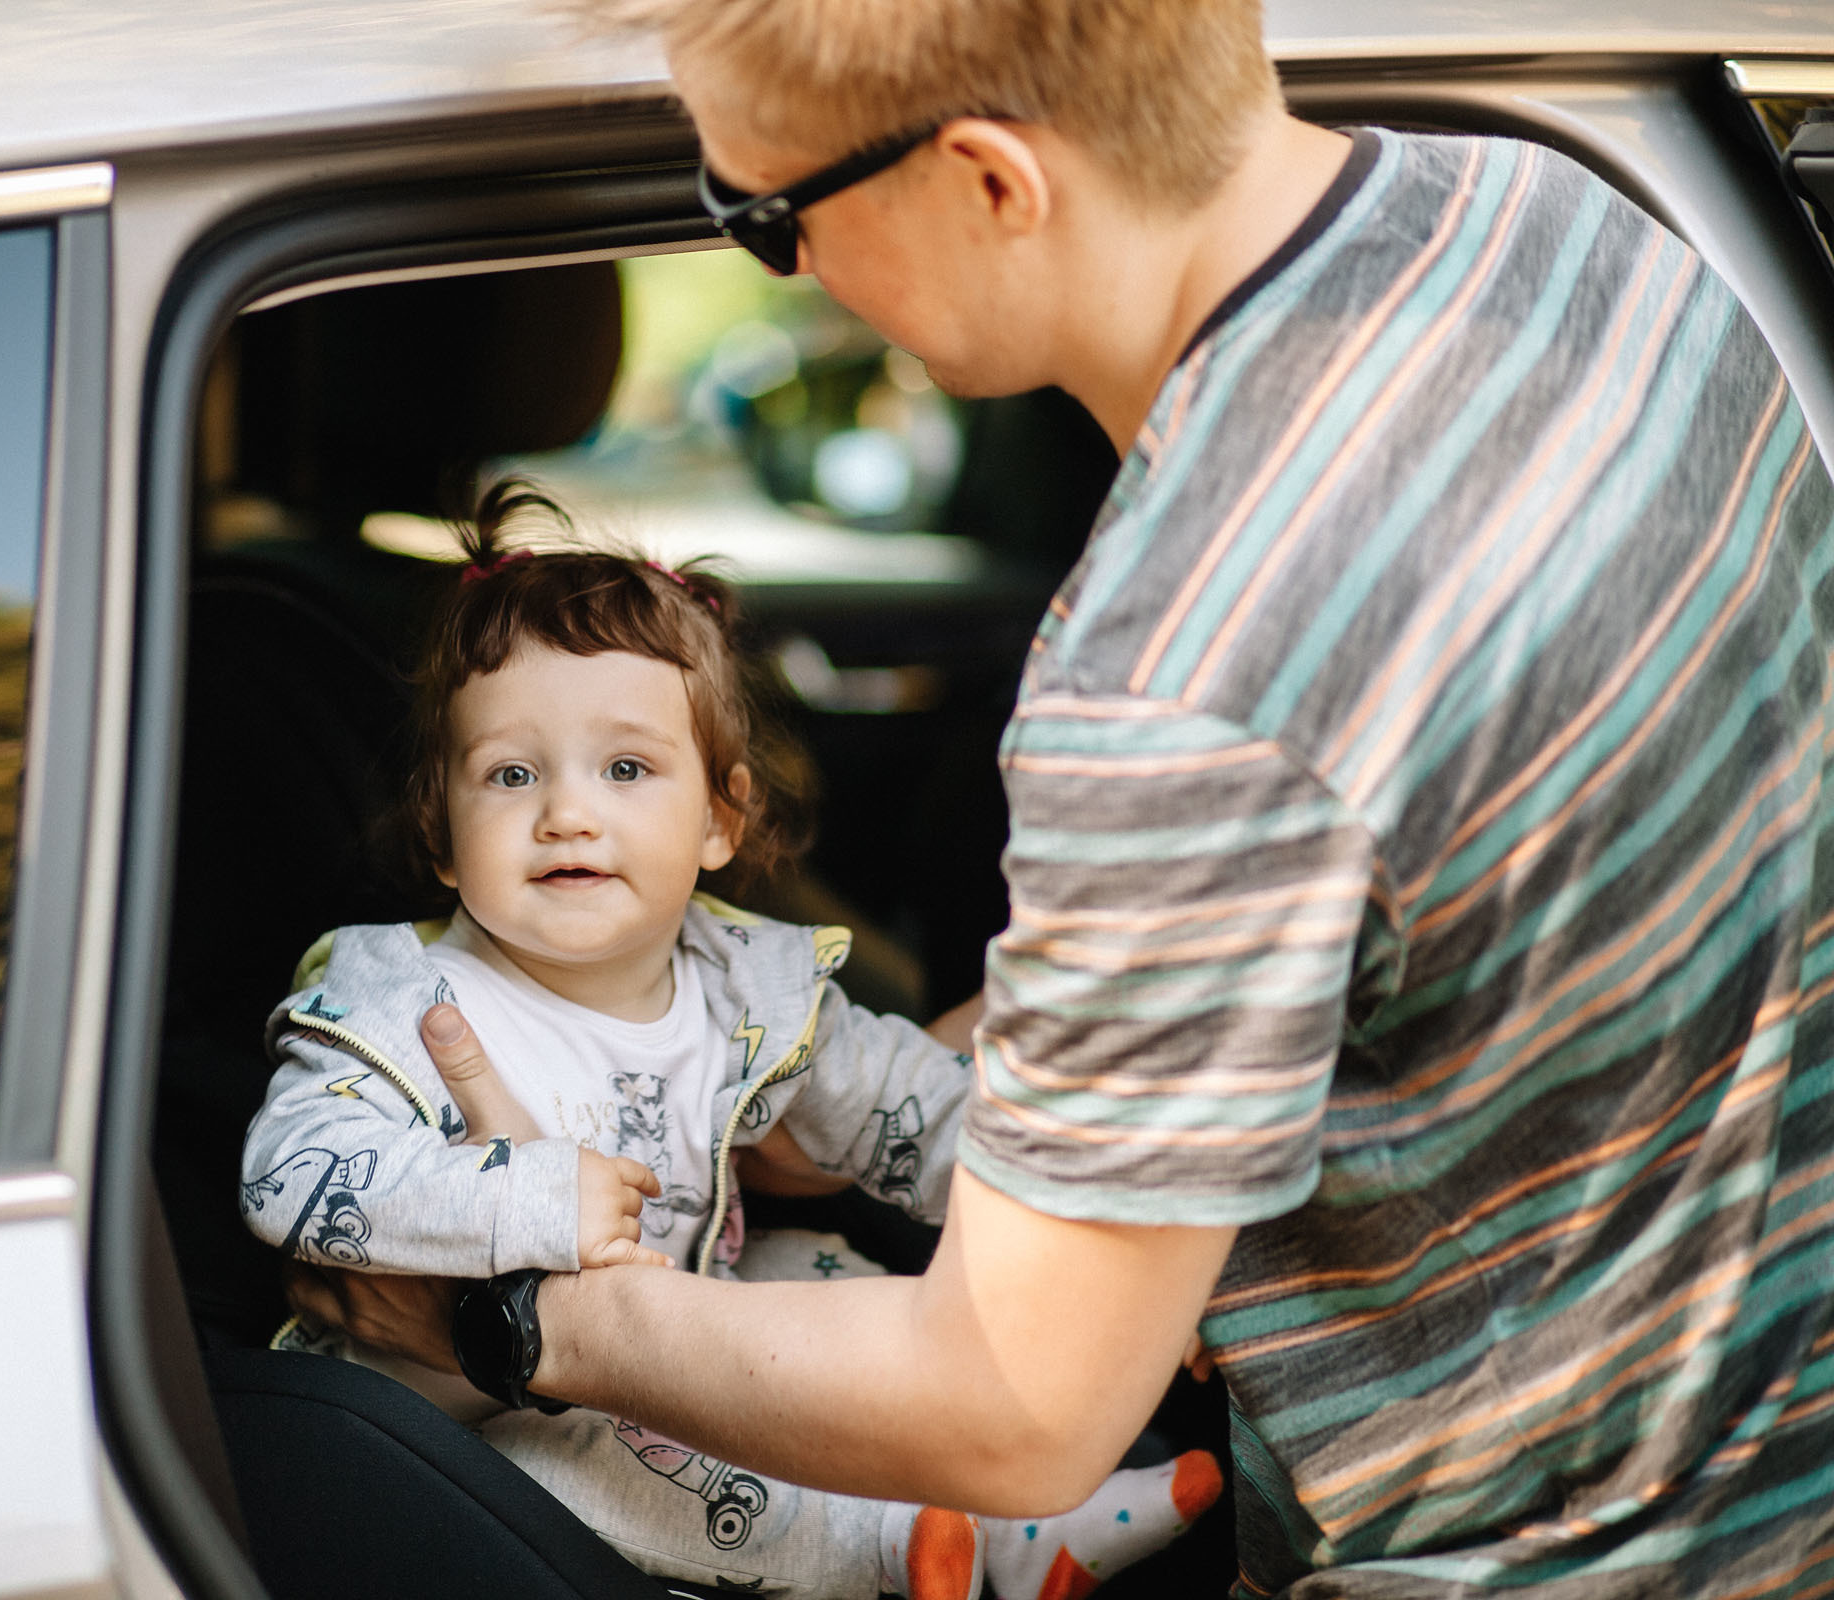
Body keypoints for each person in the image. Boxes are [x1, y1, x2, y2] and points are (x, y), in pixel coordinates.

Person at [286, 1, 1834, 1594]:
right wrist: (862, 1088)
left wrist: (528, 1315)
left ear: (991, 179)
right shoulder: (1573, 229)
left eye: (766, 215)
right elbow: (1354, 936)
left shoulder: (1189, 664)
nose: (789, 268)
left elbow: (1013, 1408)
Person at [242, 485, 1222, 1599]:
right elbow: (289, 1174)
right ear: (446, 837)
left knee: (826, 1278)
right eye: (512, 774)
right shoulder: (405, 992)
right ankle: (914, 1550)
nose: (568, 811)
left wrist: (1106, 1219)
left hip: (674, 1310)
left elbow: (913, 1108)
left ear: (720, 818)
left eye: (625, 769)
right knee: (630, 1449)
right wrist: (521, 1197)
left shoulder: (739, 981)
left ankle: (1029, 1505)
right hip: (456, 1408)